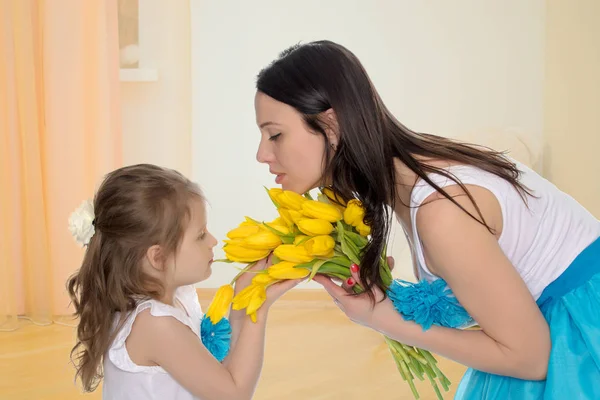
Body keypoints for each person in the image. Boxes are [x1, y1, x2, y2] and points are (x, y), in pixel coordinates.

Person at [253, 40, 600, 399]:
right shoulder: (417, 176)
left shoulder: (441, 212)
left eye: (275, 134)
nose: (262, 154)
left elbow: (530, 358)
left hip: (582, 338)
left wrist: (382, 318)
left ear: (331, 124)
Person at [66, 164, 300, 400]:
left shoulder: (171, 302)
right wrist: (257, 310)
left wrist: (243, 304)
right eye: (200, 235)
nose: (213, 240)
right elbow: (233, 394)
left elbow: (218, 376)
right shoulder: (155, 324)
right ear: (158, 257)